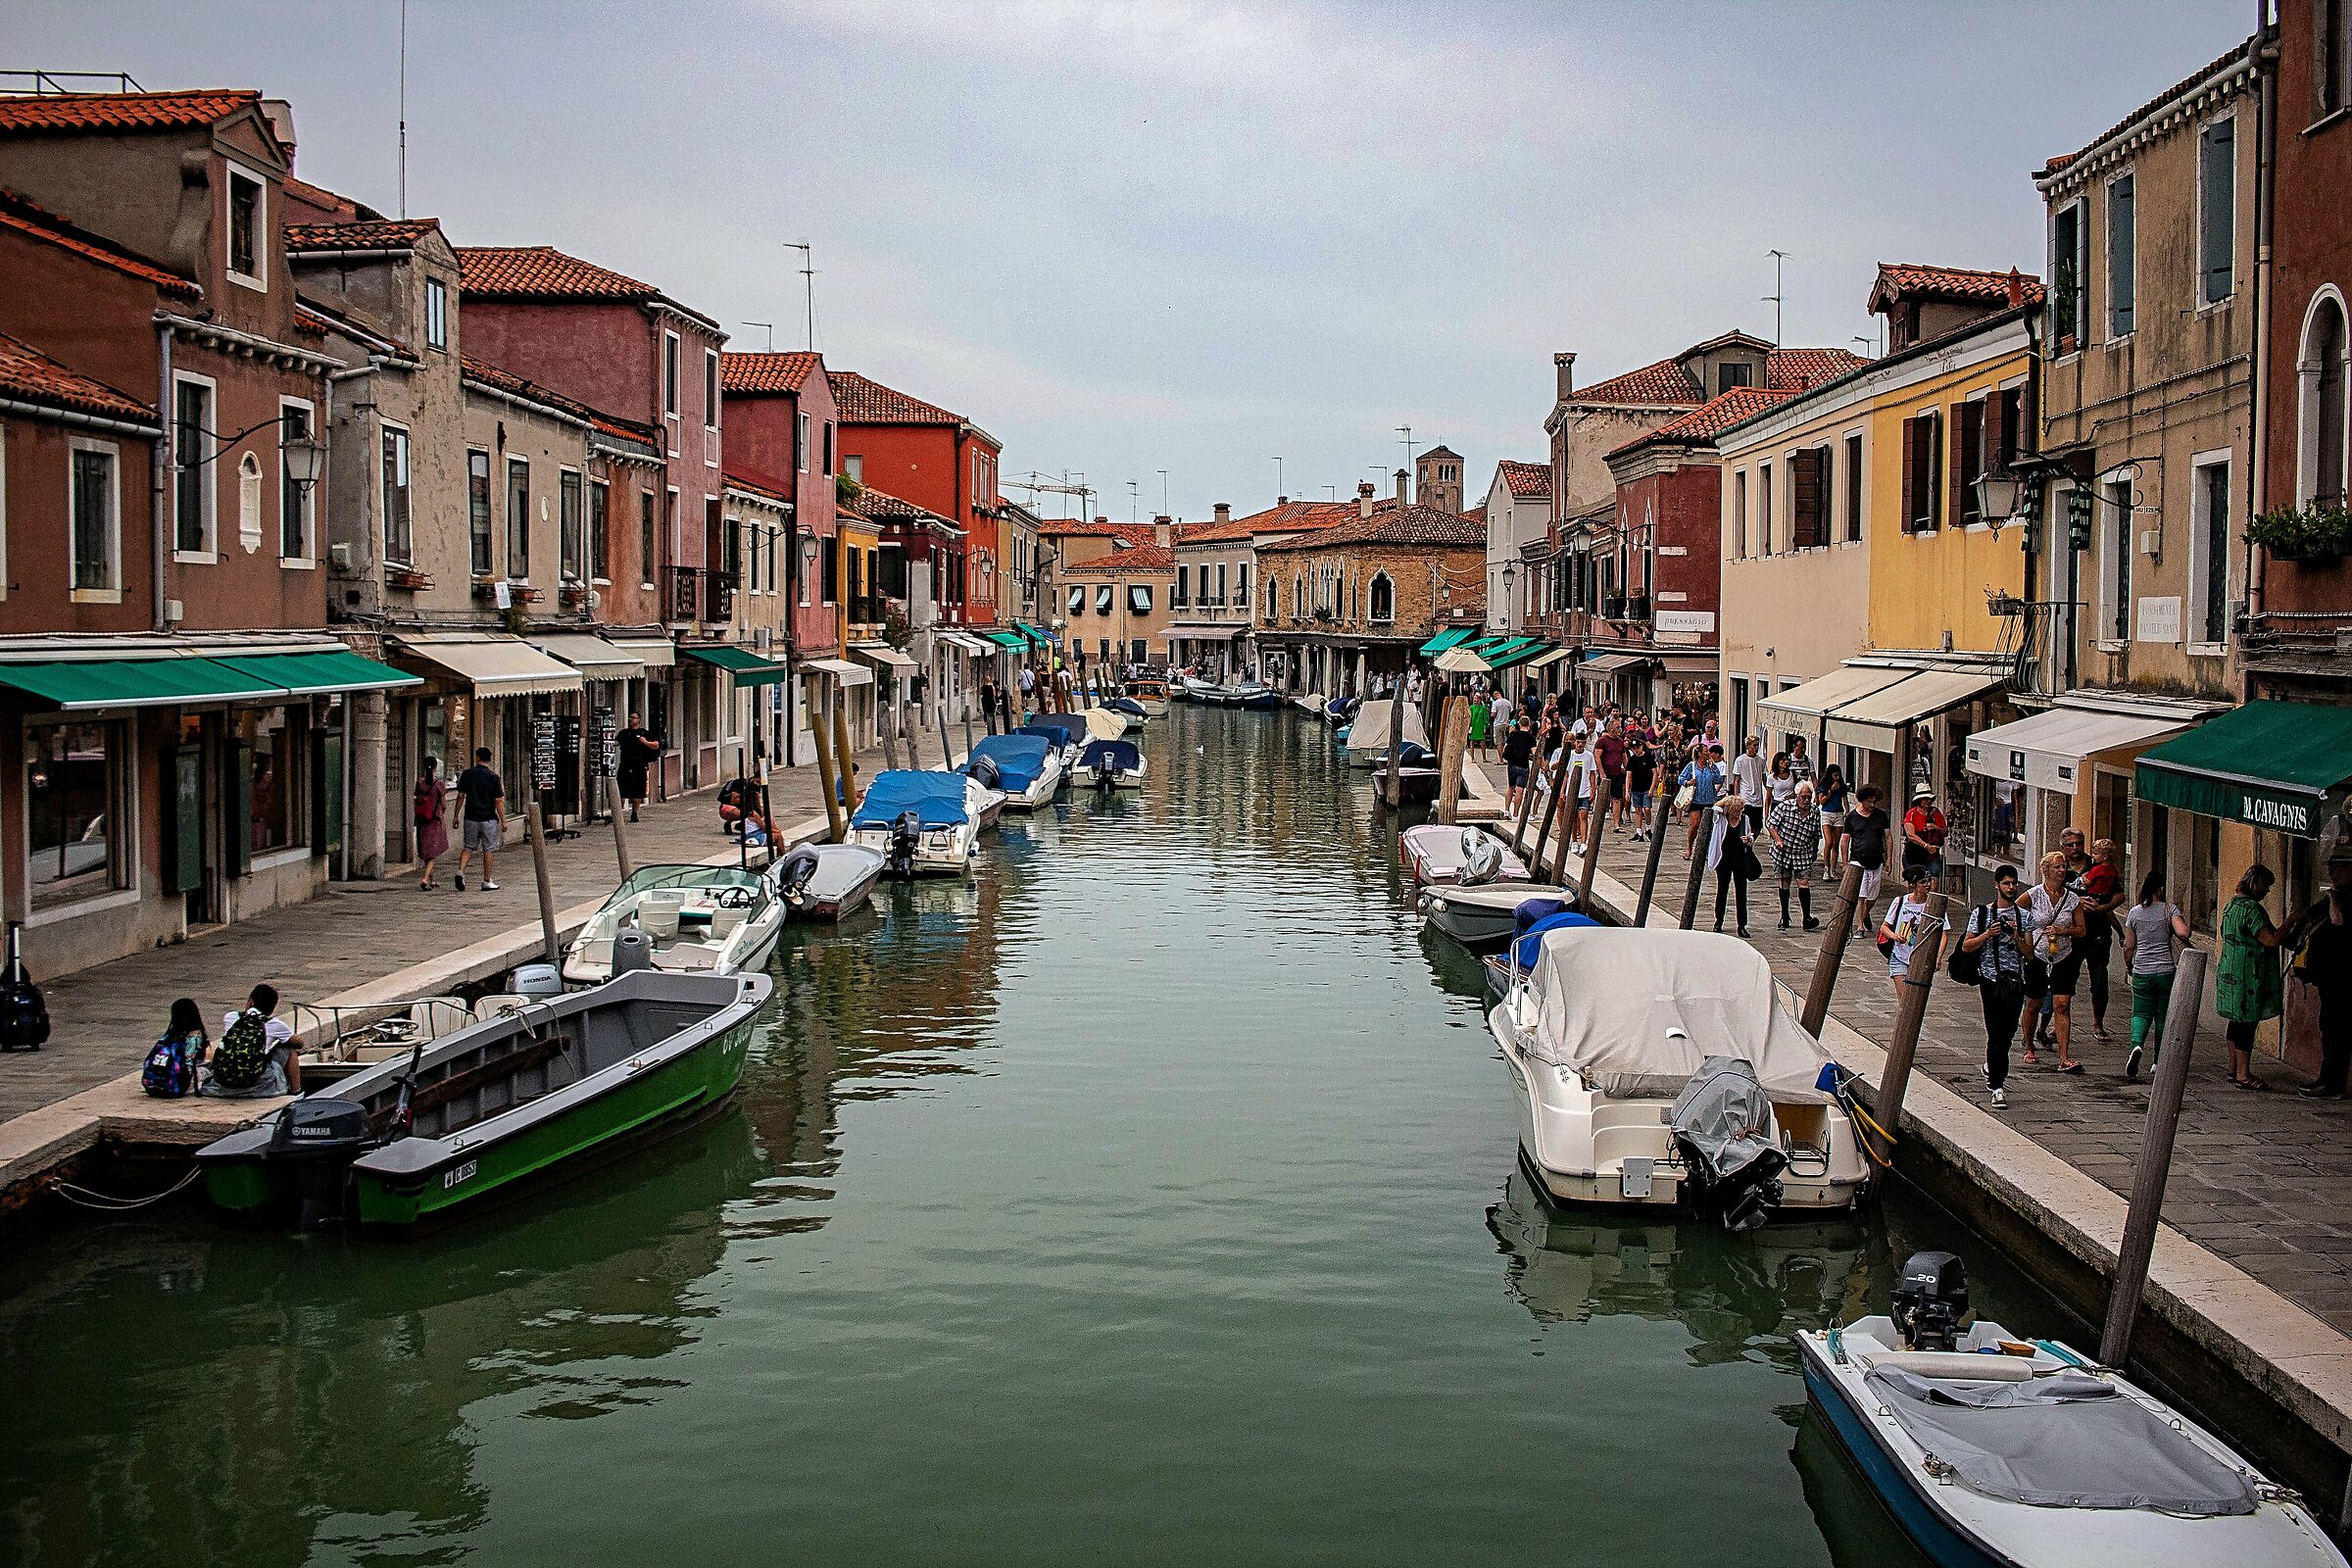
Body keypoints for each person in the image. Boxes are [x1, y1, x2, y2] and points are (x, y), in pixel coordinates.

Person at [1959, 863, 2034, 1109]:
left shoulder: (2024, 917)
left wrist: (2015, 937)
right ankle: (1997, 1086)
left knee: (2008, 1032)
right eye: (2007, 884)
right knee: (1995, 1034)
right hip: (1989, 980)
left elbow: (2030, 954)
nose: (2011, 888)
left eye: (2014, 884)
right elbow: (1967, 946)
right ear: (1997, 885)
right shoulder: (1982, 914)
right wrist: (1988, 935)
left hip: (2015, 982)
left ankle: (1992, 1067)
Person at [2286, 852, 2352, 1098]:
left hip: (2344, 979)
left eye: (2338, 868)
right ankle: (2325, 1078)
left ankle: (2334, 1083)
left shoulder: (2345, 900)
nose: (2333, 873)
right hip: (2328, 977)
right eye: (2331, 868)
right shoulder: (2331, 898)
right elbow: (2311, 916)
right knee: (2328, 1027)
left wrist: (2334, 899)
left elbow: (2338, 922)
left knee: (2339, 1031)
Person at [2218, 864, 2284, 1091]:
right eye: (2266, 886)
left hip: (2230, 970)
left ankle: (2233, 1068)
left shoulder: (2231, 905)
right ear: (2258, 884)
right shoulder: (2252, 909)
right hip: (2248, 976)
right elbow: (2270, 939)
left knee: (2236, 1021)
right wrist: (2292, 922)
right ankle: (2243, 1074)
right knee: (2246, 1024)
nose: (2267, 891)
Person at [2120, 869, 2190, 1080]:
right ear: (2160, 888)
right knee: (2162, 1016)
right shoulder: (2170, 909)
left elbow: (2129, 946)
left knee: (2140, 1013)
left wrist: (2129, 966)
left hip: (2142, 969)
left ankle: (2137, 1045)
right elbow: (2183, 933)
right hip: (2165, 971)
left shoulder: (2134, 913)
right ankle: (2158, 1062)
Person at [2024, 850, 2086, 1073]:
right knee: (2034, 1003)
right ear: (2046, 870)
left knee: (2062, 1004)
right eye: (2057, 867)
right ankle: (2029, 1045)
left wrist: (2064, 930)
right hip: (2038, 955)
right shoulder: (2034, 895)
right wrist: (2025, 938)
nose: (2062, 870)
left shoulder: (2072, 899)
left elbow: (2081, 930)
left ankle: (2064, 1056)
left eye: (2064, 867)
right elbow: (2015, 913)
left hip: (2064, 956)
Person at [202, 984, 299, 1099]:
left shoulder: (230, 1017)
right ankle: (296, 1092)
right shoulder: (275, 1024)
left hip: (225, 1081)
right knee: (288, 1049)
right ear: (271, 1009)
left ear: (251, 1002)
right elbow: (299, 1042)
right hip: (257, 1083)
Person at [2073, 833, 2125, 1045]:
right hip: (2074, 930)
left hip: (2097, 933)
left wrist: (2101, 908)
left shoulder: (2099, 870)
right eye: (2070, 844)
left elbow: (2119, 897)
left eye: (2079, 844)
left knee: (2099, 979)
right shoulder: (2059, 866)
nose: (2075, 848)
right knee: (2065, 979)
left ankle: (2098, 1024)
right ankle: (2053, 1027)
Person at [1879, 864, 1939, 1004]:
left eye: (1929, 881)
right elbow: (1884, 927)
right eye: (1923, 882)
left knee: (1915, 1002)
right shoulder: (1900, 901)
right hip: (1899, 955)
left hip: (1921, 957)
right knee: (1905, 1000)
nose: (1928, 884)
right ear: (1913, 885)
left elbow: (1942, 934)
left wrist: (1939, 956)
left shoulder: (1934, 905)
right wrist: (1894, 936)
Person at [1767, 779, 1821, 930]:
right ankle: (1784, 916)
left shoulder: (1814, 811)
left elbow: (1816, 834)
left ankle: (1807, 917)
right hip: (1783, 850)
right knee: (1784, 882)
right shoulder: (1785, 807)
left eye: (1808, 797)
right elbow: (1771, 824)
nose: (1806, 800)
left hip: (1802, 851)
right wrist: (1778, 840)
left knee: (1803, 882)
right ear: (1797, 796)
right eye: (1803, 797)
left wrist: (1814, 852)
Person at [1707, 772, 1756, 936]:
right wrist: (1727, 802)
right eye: (1738, 809)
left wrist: (1748, 839)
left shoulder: (1745, 820)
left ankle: (1742, 924)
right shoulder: (1721, 819)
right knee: (1722, 890)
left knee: (1741, 893)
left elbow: (1750, 837)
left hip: (1740, 860)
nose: (1740, 812)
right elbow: (1715, 808)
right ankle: (1718, 920)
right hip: (1724, 860)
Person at [451, 747, 505, 893]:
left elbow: (460, 796)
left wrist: (455, 815)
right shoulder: (493, 777)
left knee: (468, 846)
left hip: (471, 817)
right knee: (488, 849)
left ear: (477, 757)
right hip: (488, 819)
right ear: (490, 759)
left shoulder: (467, 774)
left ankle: (460, 871)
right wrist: (503, 820)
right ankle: (487, 880)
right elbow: (498, 801)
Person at [1843, 785, 1890, 935]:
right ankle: (1860, 926)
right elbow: (1845, 840)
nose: (1872, 805)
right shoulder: (1852, 817)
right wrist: (1845, 863)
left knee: (1873, 895)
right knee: (1861, 894)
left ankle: (1864, 914)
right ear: (1862, 801)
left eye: (1874, 802)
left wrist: (1889, 859)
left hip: (1876, 859)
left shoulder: (1881, 816)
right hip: (1858, 859)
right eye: (1869, 802)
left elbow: (1888, 837)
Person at [1679, 743, 1725, 859]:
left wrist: (1712, 768)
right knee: (1695, 824)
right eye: (1706, 751)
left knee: (1707, 827)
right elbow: (1681, 778)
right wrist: (1688, 782)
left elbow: (1718, 780)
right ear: (1700, 753)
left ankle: (1705, 849)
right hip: (1695, 800)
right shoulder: (1691, 766)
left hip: (1709, 800)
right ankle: (1689, 847)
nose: (1708, 753)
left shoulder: (1711, 766)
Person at [615, 711, 661, 821]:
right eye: (630, 717)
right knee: (621, 789)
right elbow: (616, 742)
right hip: (625, 765)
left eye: (634, 718)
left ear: (639, 720)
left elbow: (656, 745)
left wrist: (645, 742)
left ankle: (635, 813)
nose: (631, 719)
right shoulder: (624, 733)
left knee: (638, 790)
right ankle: (618, 814)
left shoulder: (644, 733)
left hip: (639, 765)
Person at [413, 756, 449, 891]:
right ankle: (425, 879)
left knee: (427, 850)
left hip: (422, 819)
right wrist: (441, 812)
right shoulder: (438, 783)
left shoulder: (420, 783)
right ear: (435, 767)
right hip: (434, 819)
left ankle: (433, 880)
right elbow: (444, 803)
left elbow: (416, 798)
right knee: (432, 852)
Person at [1900, 786, 1947, 885]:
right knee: (1914, 883)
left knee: (1933, 881)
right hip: (1914, 855)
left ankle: (1930, 900)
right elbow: (1911, 835)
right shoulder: (1911, 814)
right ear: (1919, 800)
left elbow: (1945, 832)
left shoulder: (1936, 813)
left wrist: (1936, 827)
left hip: (1932, 856)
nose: (1928, 801)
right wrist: (1926, 846)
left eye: (1929, 799)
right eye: (1925, 799)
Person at [1730, 735, 1768, 833]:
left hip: (1758, 799)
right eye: (1754, 745)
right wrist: (1736, 796)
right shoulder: (1740, 760)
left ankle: (1749, 843)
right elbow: (1737, 780)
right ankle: (1745, 845)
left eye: (1757, 745)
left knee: (1757, 827)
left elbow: (1764, 779)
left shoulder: (1761, 761)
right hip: (1745, 797)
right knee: (1744, 823)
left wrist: (1769, 792)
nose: (1756, 748)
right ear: (1748, 746)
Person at [1816, 764, 1849, 874]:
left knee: (1836, 843)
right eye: (1835, 775)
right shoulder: (1823, 786)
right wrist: (1830, 791)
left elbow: (1845, 799)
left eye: (1838, 775)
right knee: (1829, 842)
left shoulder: (1841, 787)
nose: (1837, 778)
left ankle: (1833, 870)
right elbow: (1821, 801)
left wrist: (1847, 811)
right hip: (1827, 814)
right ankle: (1826, 868)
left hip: (1838, 814)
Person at [1627, 721, 1657, 840]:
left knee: (1647, 809)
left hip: (1646, 787)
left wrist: (1652, 788)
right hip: (1636, 788)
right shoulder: (1632, 760)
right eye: (1634, 749)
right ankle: (1638, 831)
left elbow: (1655, 773)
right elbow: (1629, 775)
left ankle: (1648, 828)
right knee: (1638, 809)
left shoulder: (1648, 757)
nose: (1636, 750)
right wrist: (1627, 791)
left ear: (1641, 746)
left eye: (1638, 747)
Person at [1500, 714, 1536, 814]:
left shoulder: (1513, 735)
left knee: (1511, 787)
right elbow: (1534, 752)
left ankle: (1507, 810)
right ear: (1529, 725)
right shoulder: (1531, 738)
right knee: (1520, 790)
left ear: (1519, 724)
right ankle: (1516, 814)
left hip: (1512, 764)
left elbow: (1505, 748)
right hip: (1523, 765)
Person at [1467, 689, 1491, 760]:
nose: (1475, 700)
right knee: (1472, 742)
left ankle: (1484, 758)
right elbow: (1469, 717)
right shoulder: (1471, 708)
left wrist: (1485, 727)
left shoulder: (1483, 708)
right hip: (1473, 726)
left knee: (1482, 743)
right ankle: (1472, 758)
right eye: (1474, 699)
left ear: (1480, 700)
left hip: (1480, 726)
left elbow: (1485, 718)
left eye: (1476, 699)